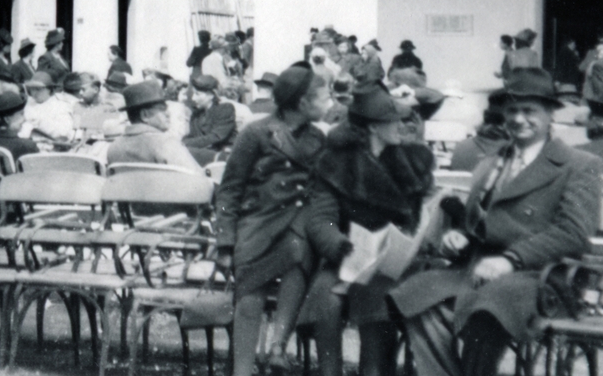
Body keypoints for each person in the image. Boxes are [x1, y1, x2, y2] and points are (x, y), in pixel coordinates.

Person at [390, 68, 602, 376]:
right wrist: (461, 236)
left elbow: (574, 232)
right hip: (478, 268)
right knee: (416, 296)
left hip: (541, 275)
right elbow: (481, 222)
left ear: (550, 114)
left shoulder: (579, 165)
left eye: (529, 111)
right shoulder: (493, 162)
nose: (518, 119)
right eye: (512, 110)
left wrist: (512, 259)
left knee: (488, 310)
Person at [305, 85, 434, 376]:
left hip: (396, 262)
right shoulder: (333, 163)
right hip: (347, 255)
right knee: (326, 297)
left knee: (378, 295)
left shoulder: (412, 160)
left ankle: (372, 371)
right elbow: (321, 218)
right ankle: (330, 371)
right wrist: (339, 245)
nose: (403, 126)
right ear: (375, 127)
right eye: (395, 120)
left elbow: (421, 215)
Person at [214, 66, 332, 376]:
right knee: (250, 298)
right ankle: (243, 369)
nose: (329, 103)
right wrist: (225, 241)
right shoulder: (256, 132)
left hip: (297, 223)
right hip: (258, 222)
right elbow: (229, 190)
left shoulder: (318, 137)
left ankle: (277, 346)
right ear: (302, 102)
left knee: (298, 253)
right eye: (323, 97)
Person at [106, 79, 203, 171]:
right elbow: (199, 179)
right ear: (145, 115)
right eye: (162, 108)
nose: (168, 113)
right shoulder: (166, 144)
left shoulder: (114, 147)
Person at [184, 74, 238, 164]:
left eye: (198, 94)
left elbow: (216, 137)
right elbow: (193, 136)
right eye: (193, 93)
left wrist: (185, 143)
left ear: (211, 95)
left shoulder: (225, 109)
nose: (193, 98)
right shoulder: (196, 114)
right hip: (205, 155)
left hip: (225, 157)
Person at [20, 71, 76, 147]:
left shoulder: (60, 106)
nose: (34, 93)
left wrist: (37, 124)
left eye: (38, 89)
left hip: (52, 146)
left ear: (49, 89)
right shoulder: (29, 103)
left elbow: (64, 132)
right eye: (32, 89)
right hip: (28, 144)